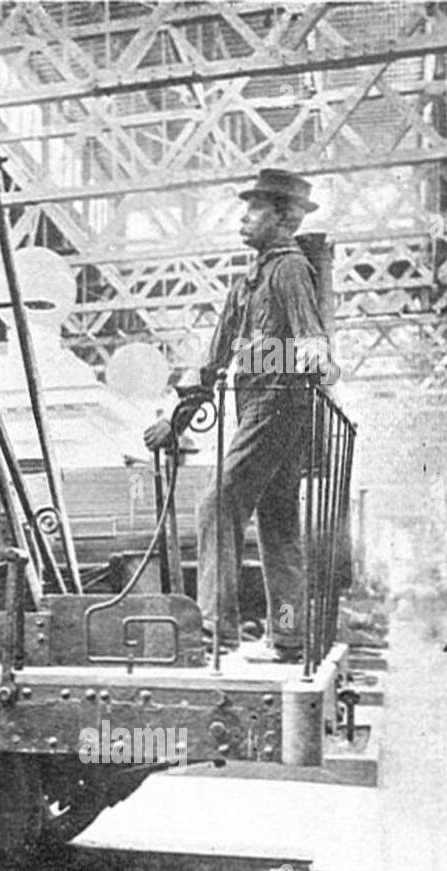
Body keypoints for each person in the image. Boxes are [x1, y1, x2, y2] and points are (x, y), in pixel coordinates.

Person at [143, 168, 338, 662]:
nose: (243, 217)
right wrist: (176, 421)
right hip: (260, 406)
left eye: (254, 209)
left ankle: (214, 630)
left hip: (277, 405)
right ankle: (289, 635)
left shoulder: (289, 270)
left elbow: (311, 339)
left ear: (284, 218)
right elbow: (211, 363)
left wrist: (316, 368)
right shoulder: (245, 284)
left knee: (217, 505)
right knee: (278, 524)